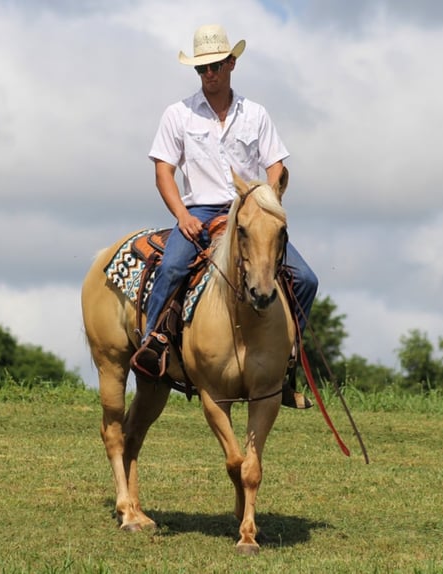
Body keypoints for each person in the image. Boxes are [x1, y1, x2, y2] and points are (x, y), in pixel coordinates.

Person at [131, 24, 318, 409]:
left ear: (231, 63)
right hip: (199, 210)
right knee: (172, 267)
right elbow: (164, 170)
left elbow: (276, 165)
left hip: (249, 212)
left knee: (305, 279)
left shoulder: (256, 114)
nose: (209, 74)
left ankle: (285, 366)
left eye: (215, 65)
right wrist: (181, 215)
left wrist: (266, 200)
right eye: (202, 69)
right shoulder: (178, 114)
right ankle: (154, 343)